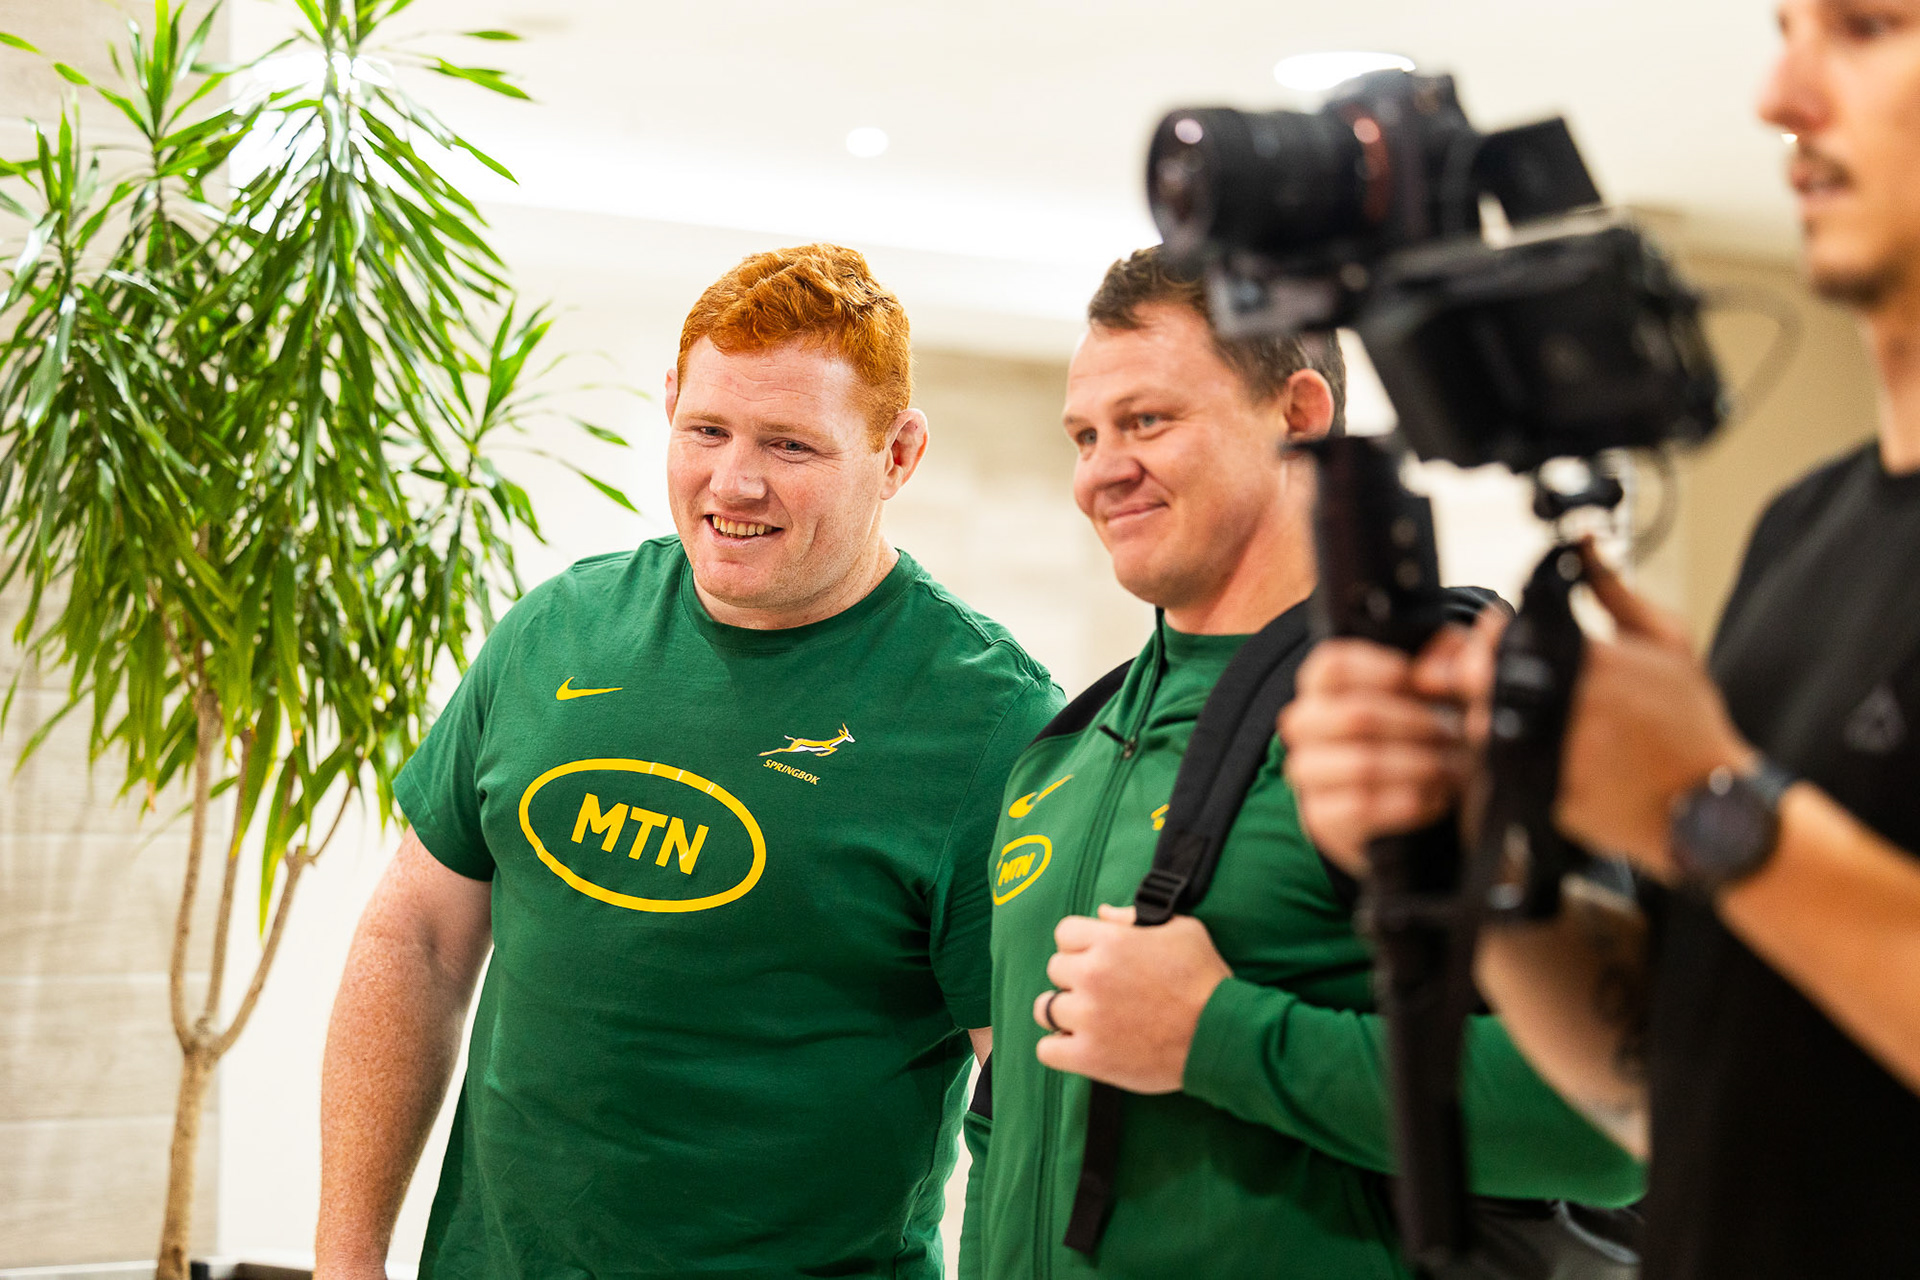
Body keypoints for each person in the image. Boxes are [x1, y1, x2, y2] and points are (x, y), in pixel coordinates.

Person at [1280, 4, 1920, 1276]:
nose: (1780, 93)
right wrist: (1476, 835)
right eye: (1788, 28)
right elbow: (1668, 1087)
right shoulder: (1808, 528)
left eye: (1865, 27)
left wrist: (1708, 803)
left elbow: (1736, 834)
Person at [314, 244, 1063, 1279]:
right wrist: (345, 1261)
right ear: (669, 402)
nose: (734, 479)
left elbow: (1034, 1096)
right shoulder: (559, 631)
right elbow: (418, 939)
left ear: (898, 454)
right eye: (706, 427)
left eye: (791, 444)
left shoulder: (991, 724)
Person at [960, 247, 1642, 1280]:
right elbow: (1012, 1130)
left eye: (1147, 421)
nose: (1101, 469)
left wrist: (1220, 1035)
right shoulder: (1061, 751)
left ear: (1302, 413)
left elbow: (1606, 1126)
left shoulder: (1434, 706)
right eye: (1085, 435)